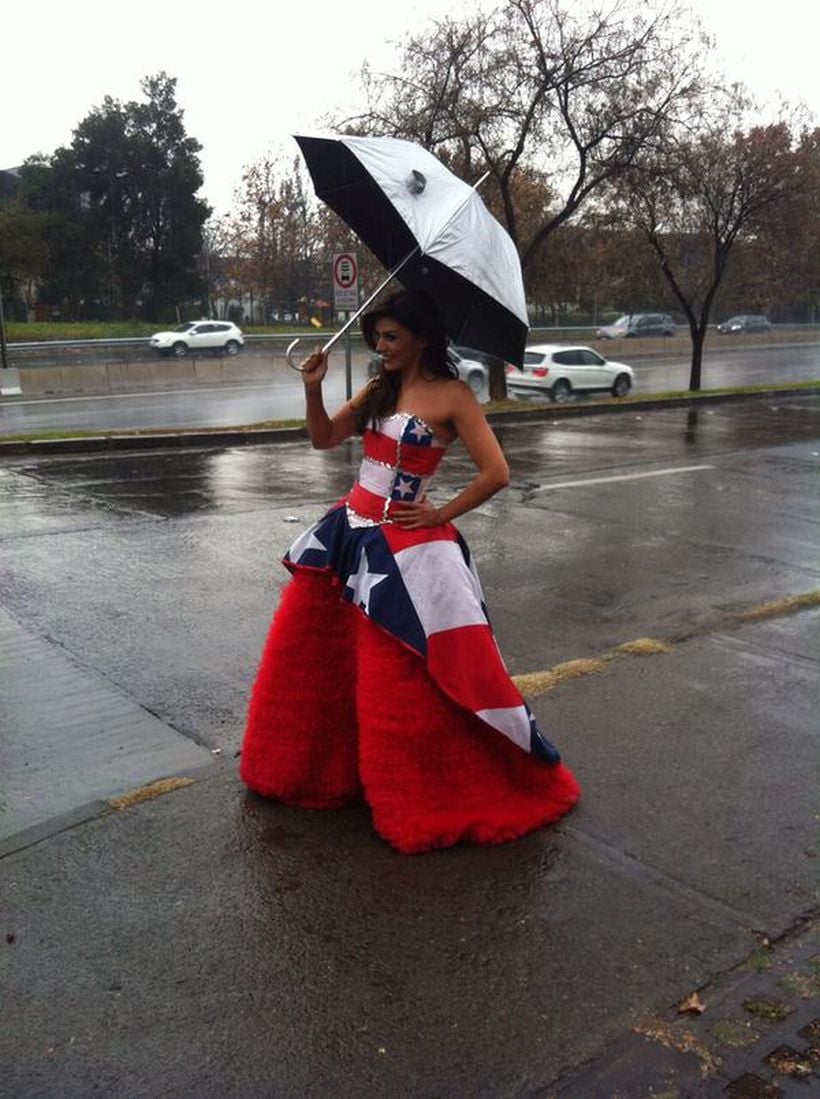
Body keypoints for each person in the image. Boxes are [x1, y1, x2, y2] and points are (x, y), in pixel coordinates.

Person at [240, 288, 579, 853]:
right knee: (322, 666)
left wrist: (439, 513)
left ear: (423, 337)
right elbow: (324, 439)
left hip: (408, 550)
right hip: (347, 536)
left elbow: (497, 472)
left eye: (392, 337)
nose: (381, 345)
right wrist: (312, 388)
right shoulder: (379, 389)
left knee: (402, 682)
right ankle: (324, 773)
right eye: (378, 336)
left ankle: (419, 787)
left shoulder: (453, 396)